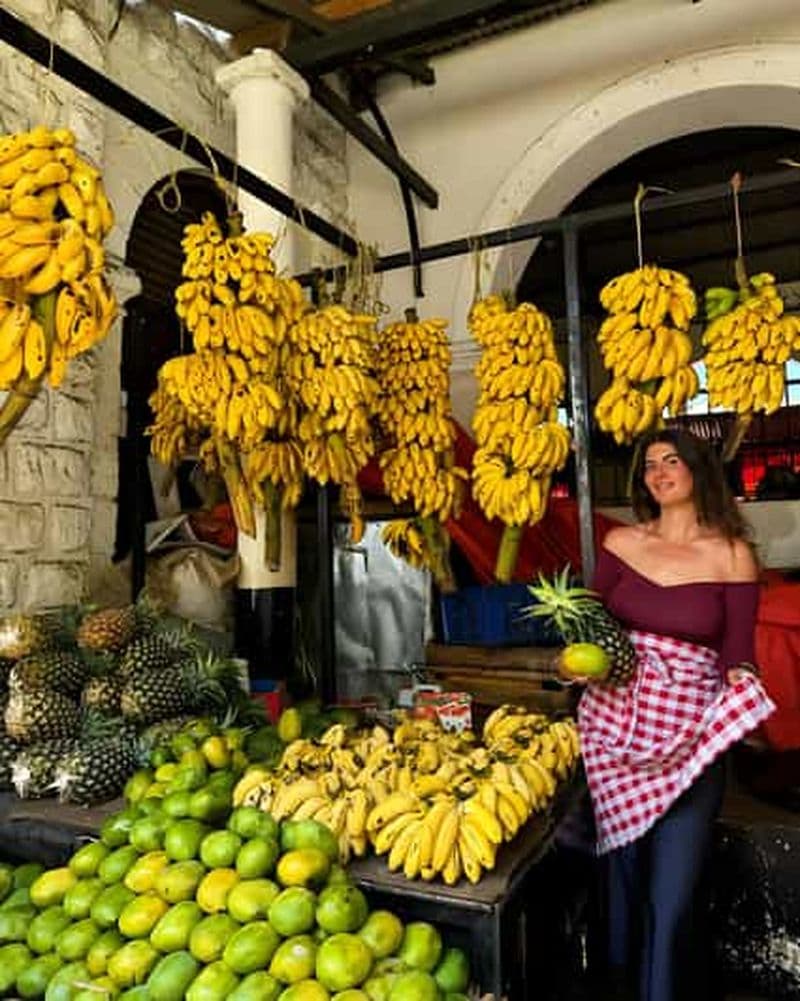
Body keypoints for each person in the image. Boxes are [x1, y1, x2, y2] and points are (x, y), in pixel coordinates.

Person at [573, 428, 776, 1001]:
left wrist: (743, 682)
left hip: (691, 742)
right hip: (615, 737)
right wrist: (576, 664)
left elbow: (738, 651)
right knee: (624, 889)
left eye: (671, 462)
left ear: (697, 471)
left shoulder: (732, 554)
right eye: (648, 466)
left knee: (672, 900)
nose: (658, 473)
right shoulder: (620, 545)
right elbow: (590, 628)